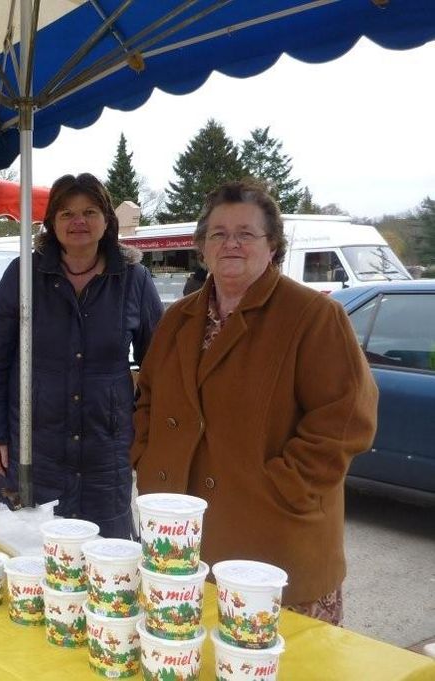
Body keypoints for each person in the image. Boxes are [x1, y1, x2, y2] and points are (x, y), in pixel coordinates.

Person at [131, 180, 378, 625]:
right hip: (181, 538)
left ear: (273, 245)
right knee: (190, 658)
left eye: (246, 233)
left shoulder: (314, 317)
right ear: (202, 246)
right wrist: (145, 458)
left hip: (275, 542)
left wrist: (284, 487)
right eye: (218, 234)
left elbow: (345, 422)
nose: (231, 244)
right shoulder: (178, 318)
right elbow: (147, 398)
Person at [0, 173, 163, 538]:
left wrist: (142, 433)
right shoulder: (23, 275)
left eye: (89, 212)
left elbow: (158, 365)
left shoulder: (133, 279)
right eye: (67, 213)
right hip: (30, 447)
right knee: (27, 554)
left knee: (106, 560)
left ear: (106, 220)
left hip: (104, 455)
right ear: (51, 223)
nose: (78, 222)